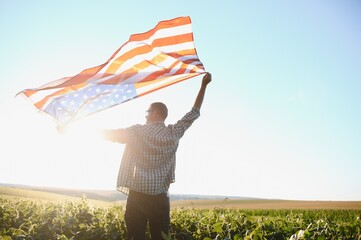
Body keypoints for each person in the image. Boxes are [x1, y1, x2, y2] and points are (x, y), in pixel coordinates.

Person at [101, 72, 212, 240]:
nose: (145, 114)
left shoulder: (136, 132)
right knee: (160, 237)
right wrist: (203, 86)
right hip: (160, 199)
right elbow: (194, 112)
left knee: (134, 237)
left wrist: (74, 130)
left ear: (155, 112)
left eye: (147, 111)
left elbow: (110, 135)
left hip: (137, 196)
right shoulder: (174, 133)